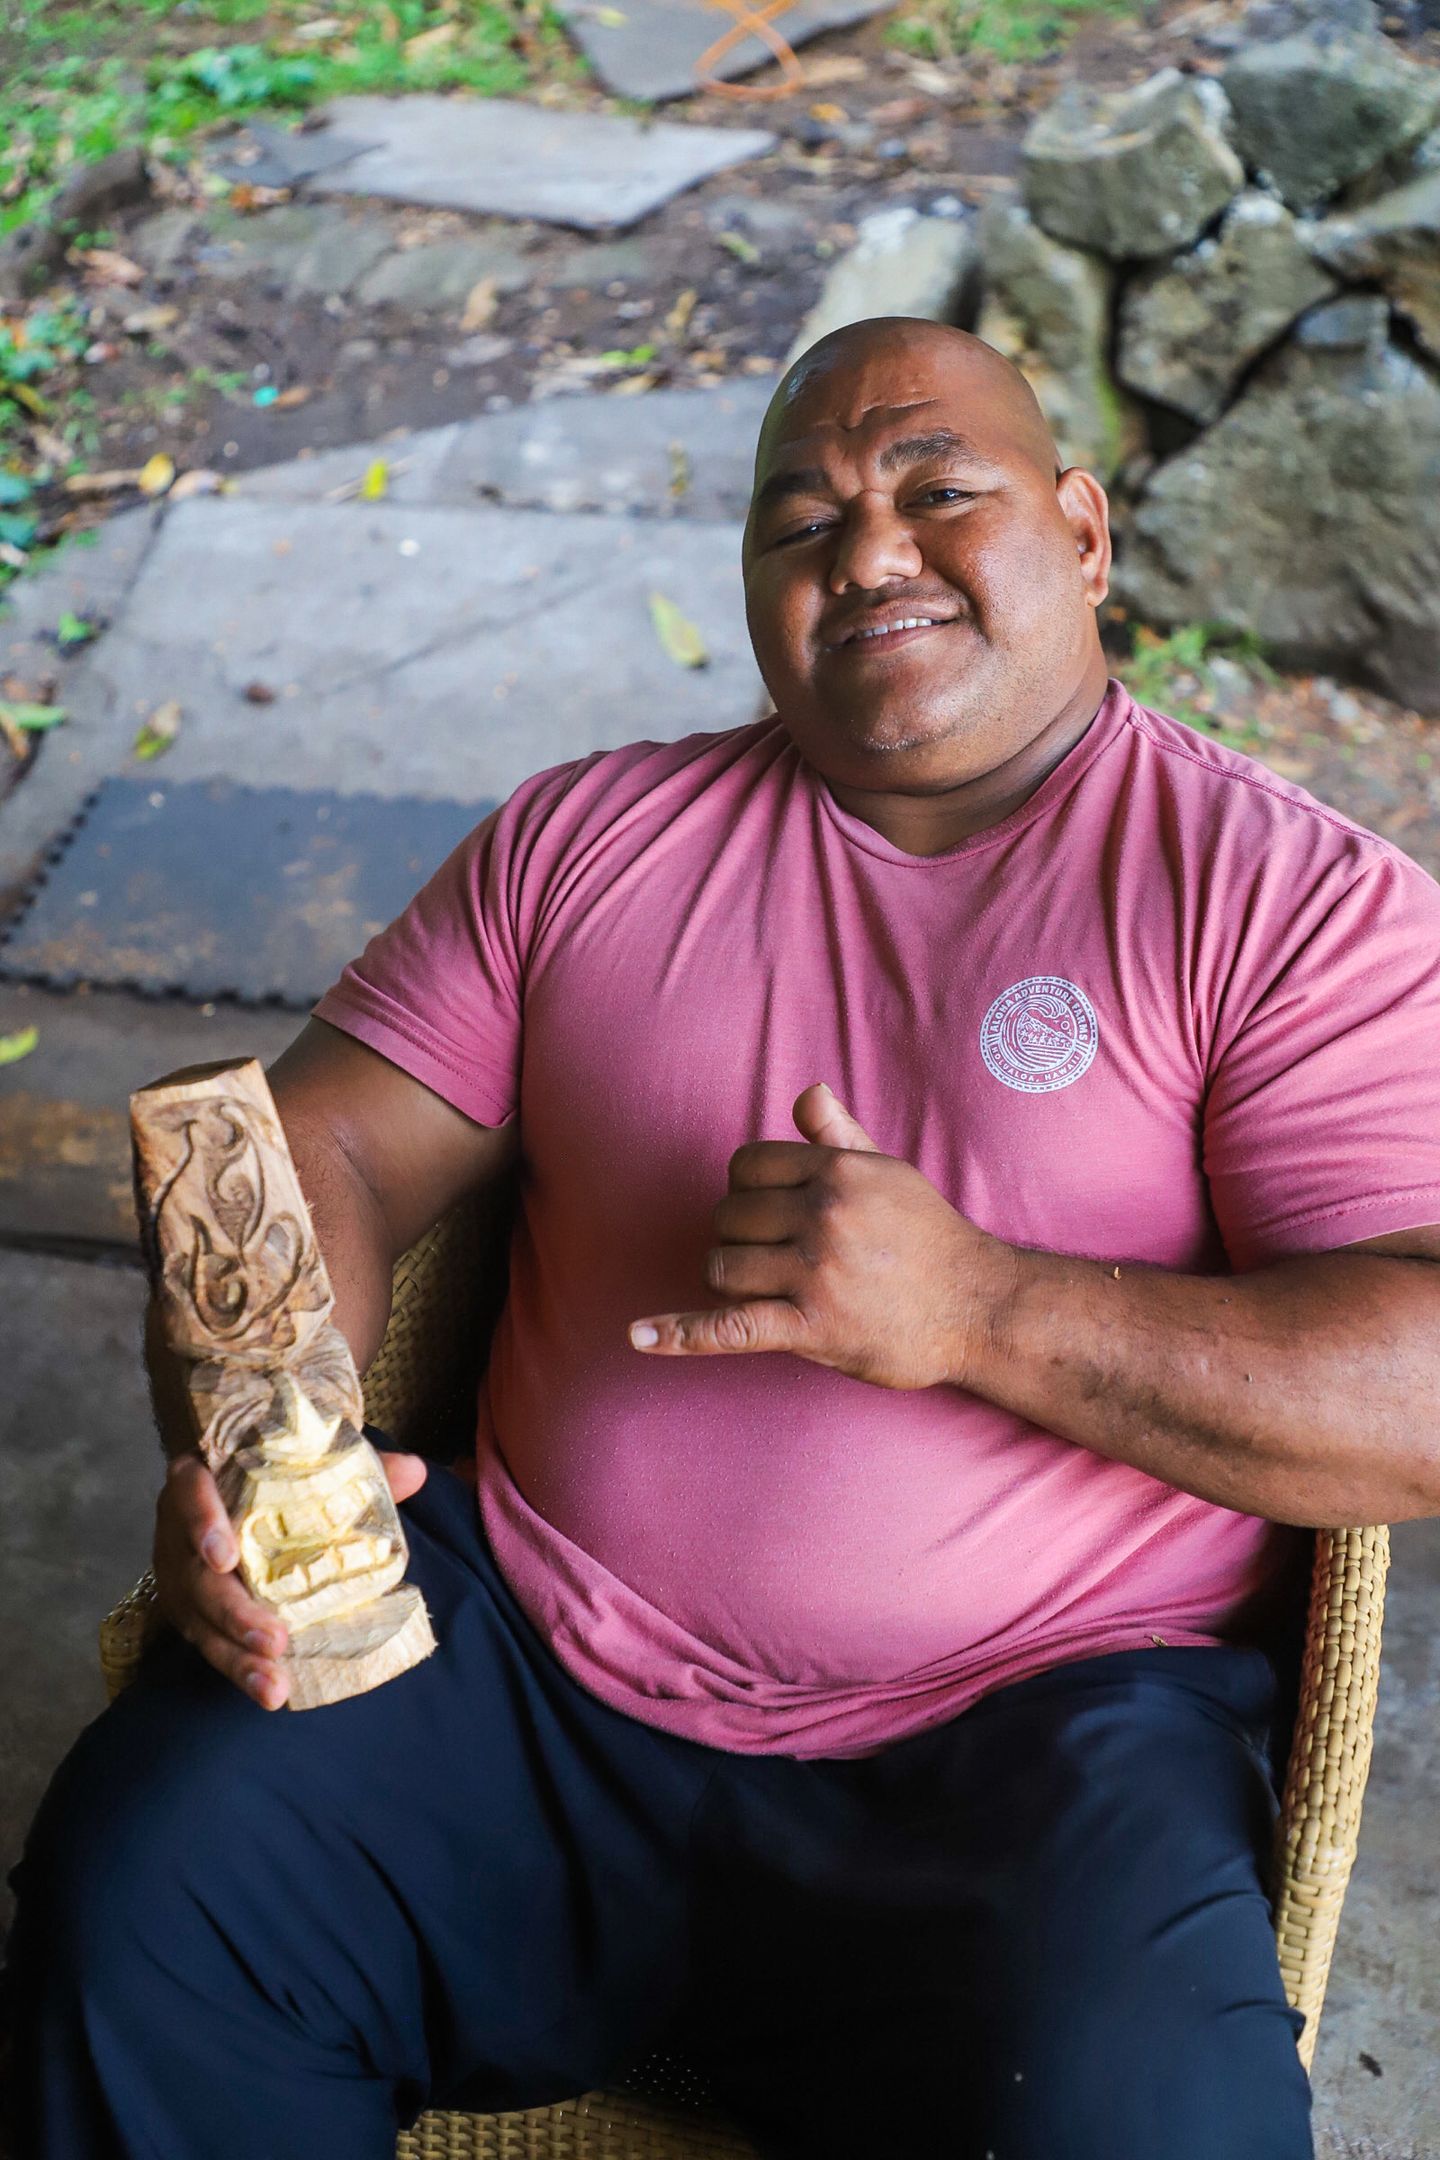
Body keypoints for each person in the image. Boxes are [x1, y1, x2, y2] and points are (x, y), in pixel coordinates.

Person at [8, 316, 1440, 2160]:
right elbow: (318, 1152)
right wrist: (268, 1432)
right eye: (803, 523)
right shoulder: (588, 841)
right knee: (150, 1903)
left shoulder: (1282, 898)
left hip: (1037, 1747)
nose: (868, 554)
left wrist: (981, 1308)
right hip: (521, 1669)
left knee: (1154, 2117)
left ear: (1082, 535)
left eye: (940, 490)